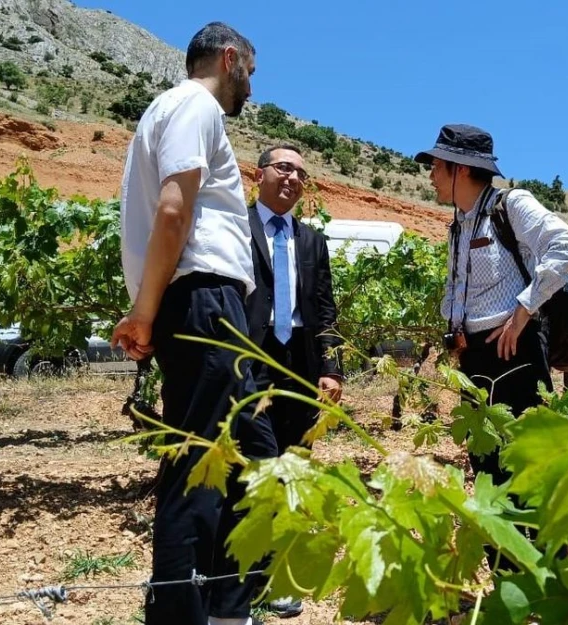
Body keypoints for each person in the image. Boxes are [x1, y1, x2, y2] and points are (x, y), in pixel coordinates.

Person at [111, 22, 275, 625]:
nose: (249, 89)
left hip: (203, 303)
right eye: (250, 74)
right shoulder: (193, 106)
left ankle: (232, 606)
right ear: (229, 59)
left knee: (246, 452)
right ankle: (180, 613)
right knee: (199, 464)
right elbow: (174, 211)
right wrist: (144, 314)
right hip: (202, 299)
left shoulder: (173, 112)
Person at [414, 124, 568, 571]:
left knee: (524, 466)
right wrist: (454, 332)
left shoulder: (512, 205)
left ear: (460, 169)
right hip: (474, 357)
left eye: (436, 166)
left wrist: (524, 310)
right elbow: (460, 289)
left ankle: (549, 578)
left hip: (515, 353)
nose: (431, 175)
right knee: (486, 468)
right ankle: (506, 581)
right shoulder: (459, 222)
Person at [235, 144, 344, 618]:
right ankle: (248, 569)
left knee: (295, 462)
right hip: (250, 359)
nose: (293, 178)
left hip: (299, 360)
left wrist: (332, 366)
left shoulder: (312, 240)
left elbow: (324, 307)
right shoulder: (235, 226)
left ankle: (281, 571)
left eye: (301, 172)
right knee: (256, 462)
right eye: (284, 167)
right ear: (259, 174)